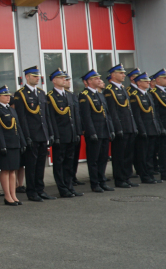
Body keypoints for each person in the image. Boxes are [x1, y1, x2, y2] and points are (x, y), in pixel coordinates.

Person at [13, 66, 52, 202]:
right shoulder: (20, 94)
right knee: (31, 165)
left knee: (41, 164)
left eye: (38, 76)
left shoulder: (41, 93)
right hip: (31, 134)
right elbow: (21, 118)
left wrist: (50, 133)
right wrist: (26, 136)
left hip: (42, 133)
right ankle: (31, 191)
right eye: (34, 76)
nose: (37, 78)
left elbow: (46, 115)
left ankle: (40, 189)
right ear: (27, 77)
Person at [46, 70, 82, 198]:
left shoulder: (69, 95)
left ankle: (70, 186)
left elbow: (74, 116)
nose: (64, 80)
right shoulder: (50, 96)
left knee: (69, 163)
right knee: (59, 163)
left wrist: (77, 132)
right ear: (54, 80)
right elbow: (51, 118)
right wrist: (55, 135)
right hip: (60, 135)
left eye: (64, 78)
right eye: (60, 78)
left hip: (71, 134)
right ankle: (62, 189)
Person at [79, 71, 114, 192]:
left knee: (103, 158)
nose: (99, 80)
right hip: (94, 132)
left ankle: (102, 181)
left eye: (99, 78)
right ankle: (95, 184)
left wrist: (110, 129)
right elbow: (86, 116)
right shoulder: (84, 95)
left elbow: (107, 114)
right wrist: (91, 132)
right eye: (96, 79)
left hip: (104, 130)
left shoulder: (100, 94)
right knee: (93, 159)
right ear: (89, 81)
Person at [104, 64, 139, 188]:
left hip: (129, 126)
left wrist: (133, 126)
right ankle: (119, 179)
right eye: (121, 73)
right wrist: (117, 128)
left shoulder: (123, 89)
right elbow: (112, 112)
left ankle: (127, 177)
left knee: (128, 155)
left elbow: (129, 110)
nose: (124, 75)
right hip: (120, 127)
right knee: (119, 155)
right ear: (113, 75)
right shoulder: (109, 90)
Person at [0, 86, 26, 206]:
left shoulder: (11, 110)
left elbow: (18, 127)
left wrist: (22, 142)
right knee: (5, 170)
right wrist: (2, 145)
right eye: (5, 95)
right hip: (5, 144)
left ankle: (13, 195)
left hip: (14, 143)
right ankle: (7, 196)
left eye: (8, 95)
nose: (8, 97)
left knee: (13, 170)